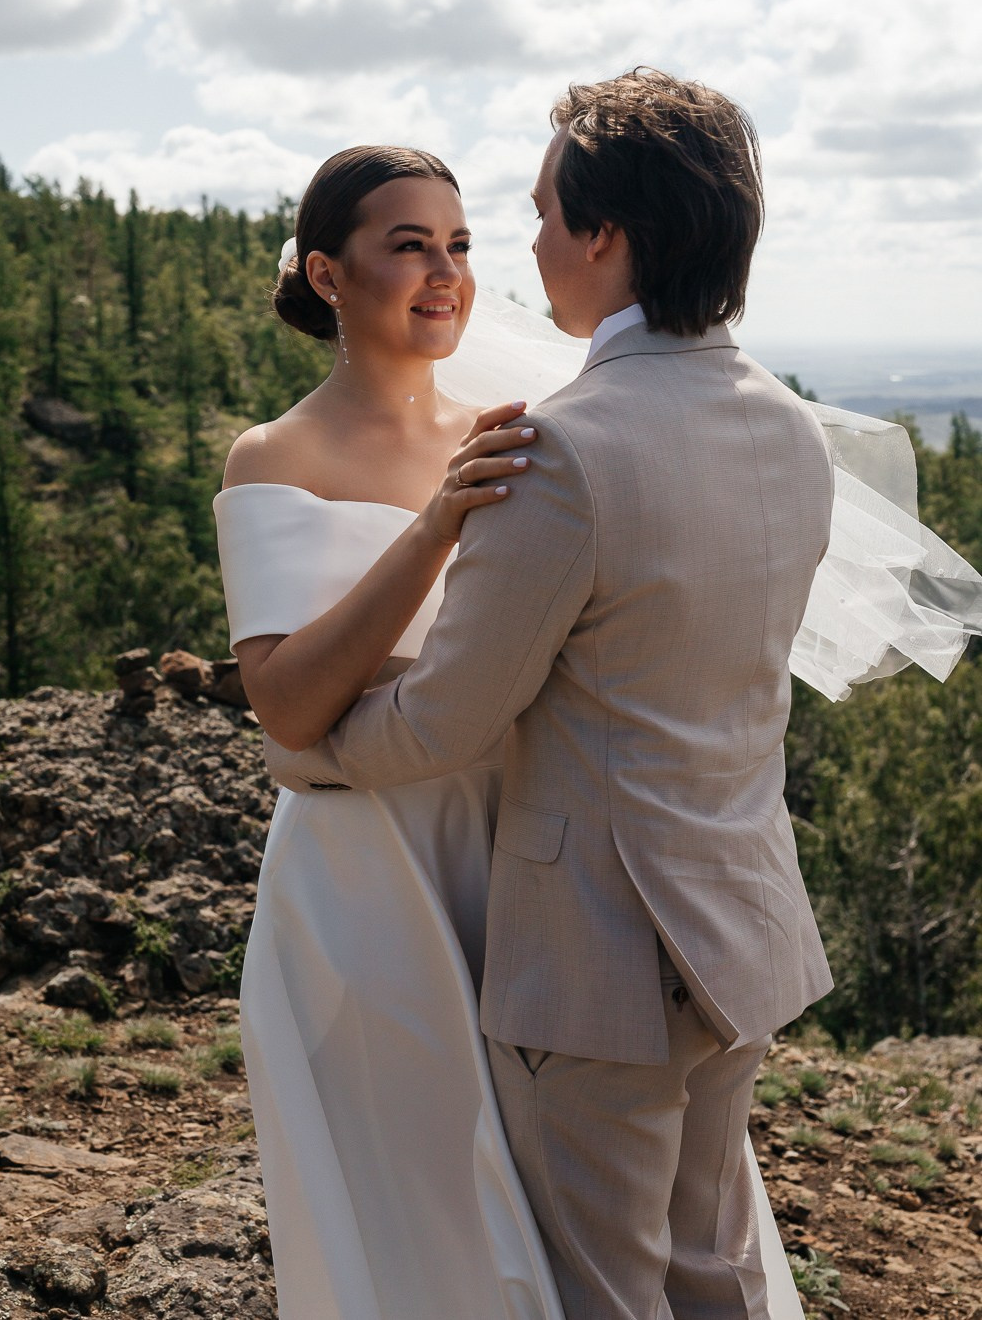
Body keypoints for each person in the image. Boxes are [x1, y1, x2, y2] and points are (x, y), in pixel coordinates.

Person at [264, 69, 834, 1320]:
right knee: (714, 1270)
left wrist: (313, 756)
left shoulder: (564, 447)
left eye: (534, 214)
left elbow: (448, 718)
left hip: (598, 958)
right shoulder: (792, 432)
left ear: (604, 235)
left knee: (601, 1291)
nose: (520, 247)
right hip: (737, 924)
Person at [214, 145, 568, 1320]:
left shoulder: (522, 430)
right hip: (360, 884)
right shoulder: (276, 455)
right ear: (327, 273)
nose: (445, 273)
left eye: (459, 245)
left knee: (555, 1203)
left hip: (516, 857)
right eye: (407, 244)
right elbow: (288, 706)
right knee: (405, 1216)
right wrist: (429, 529)